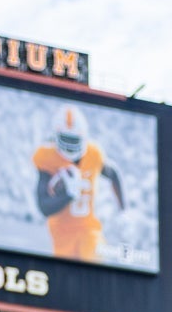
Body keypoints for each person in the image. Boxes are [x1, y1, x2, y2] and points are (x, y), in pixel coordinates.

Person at [33, 105, 124, 263]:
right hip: (61, 233)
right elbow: (44, 206)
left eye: (74, 139)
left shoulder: (93, 154)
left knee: (94, 264)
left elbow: (113, 174)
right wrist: (68, 195)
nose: (69, 145)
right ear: (56, 136)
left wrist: (123, 209)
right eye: (65, 139)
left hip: (88, 228)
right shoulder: (46, 157)